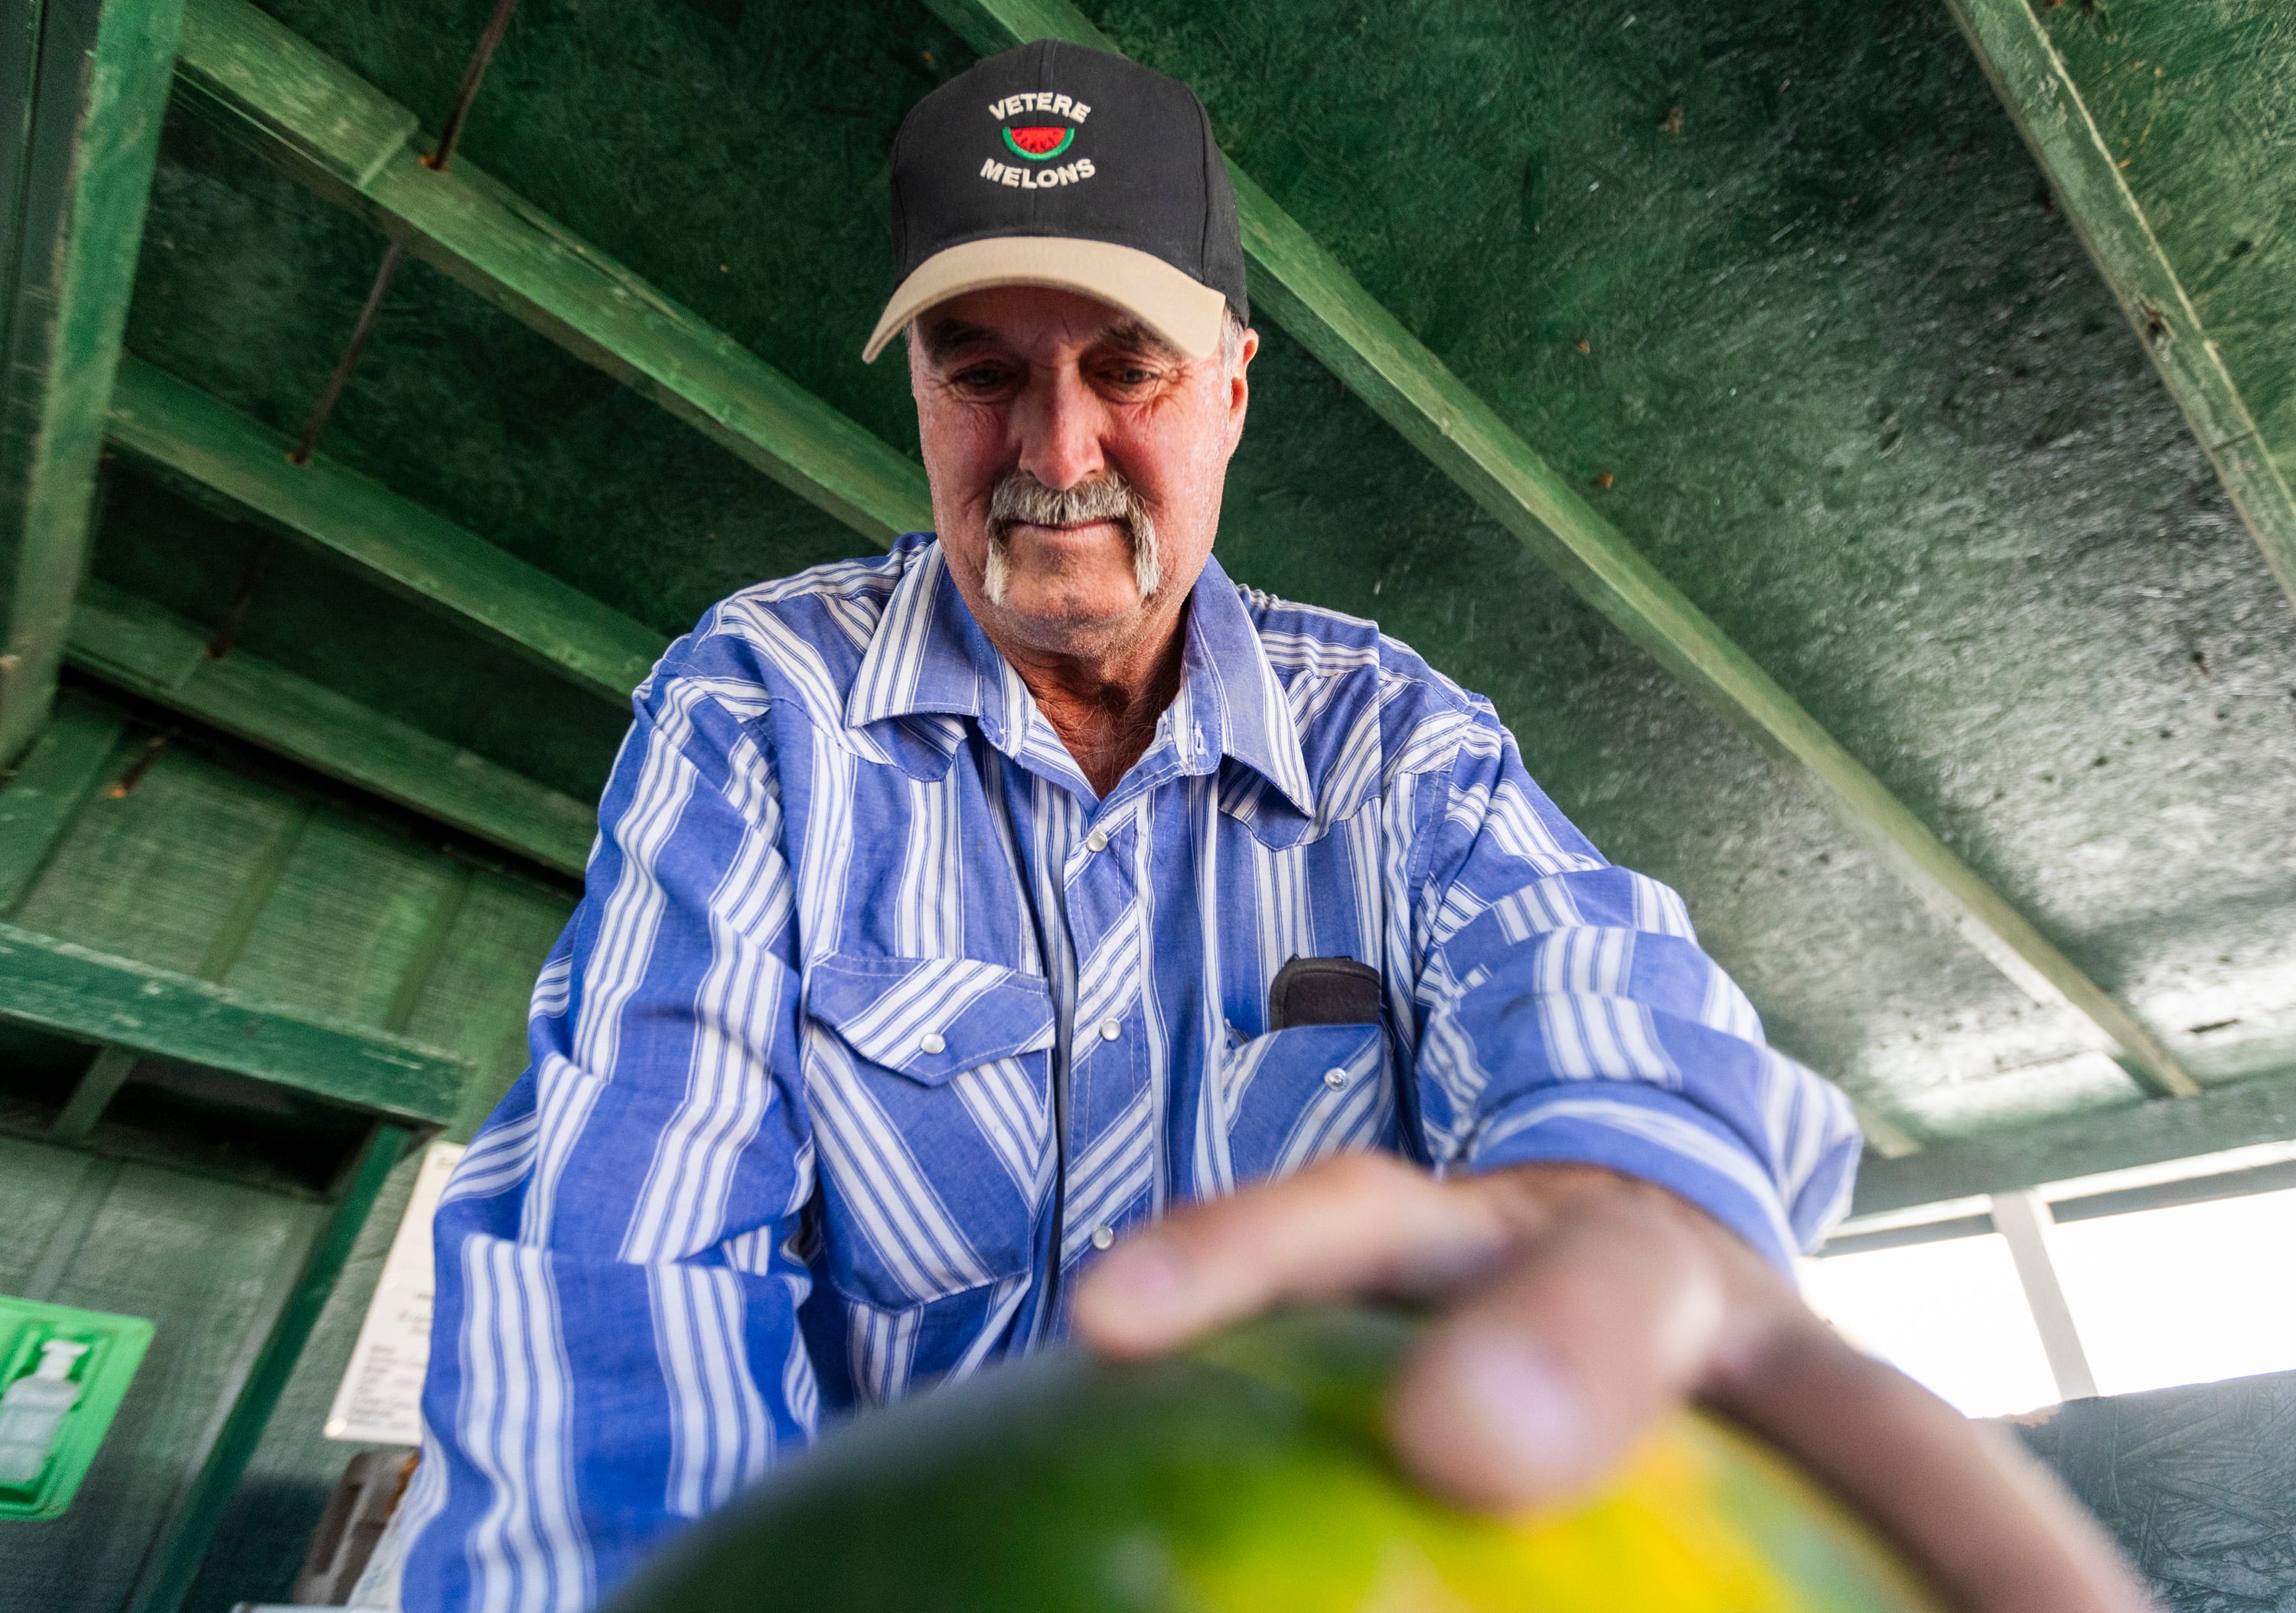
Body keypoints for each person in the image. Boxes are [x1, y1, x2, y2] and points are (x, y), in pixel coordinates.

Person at [393, 39, 2154, 1613]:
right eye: (980, 367)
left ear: (1233, 383)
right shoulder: (757, 704)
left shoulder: (1396, 740)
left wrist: (1630, 1199)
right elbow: (622, 1260)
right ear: (918, 390)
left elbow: (1593, 980)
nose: (1053, 446)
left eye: (1128, 363)